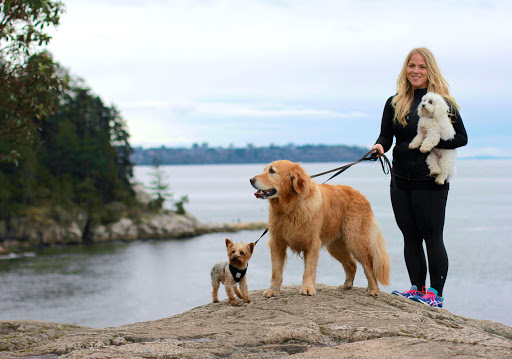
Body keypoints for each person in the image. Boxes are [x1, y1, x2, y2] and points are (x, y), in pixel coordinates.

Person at [372, 47, 468, 308]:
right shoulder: (394, 102)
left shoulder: (442, 102)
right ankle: (417, 289)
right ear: (406, 69)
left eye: (422, 67)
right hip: (400, 179)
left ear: (430, 71)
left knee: (432, 236)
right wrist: (379, 147)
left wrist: (434, 138)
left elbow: (462, 138)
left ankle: (435, 295)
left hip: (431, 179)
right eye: (411, 66)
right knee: (410, 236)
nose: (415, 71)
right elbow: (385, 137)